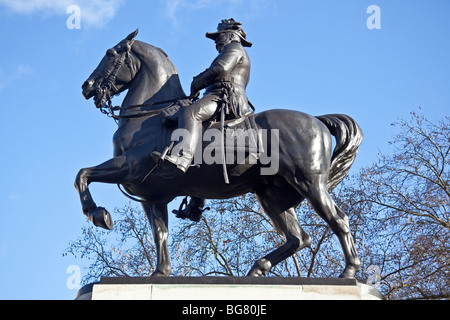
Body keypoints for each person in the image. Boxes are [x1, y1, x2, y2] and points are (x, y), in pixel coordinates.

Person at [152, 18, 253, 174]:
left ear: (231, 36)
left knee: (190, 112)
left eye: (220, 36)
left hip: (224, 97)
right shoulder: (232, 49)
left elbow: (220, 69)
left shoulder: (234, 47)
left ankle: (182, 157)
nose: (216, 41)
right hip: (218, 95)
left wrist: (197, 82)